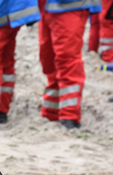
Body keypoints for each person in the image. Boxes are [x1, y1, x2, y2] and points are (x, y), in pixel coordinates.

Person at [37, 0, 102, 129]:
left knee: (67, 60)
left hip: (71, 6)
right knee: (48, 61)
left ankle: (69, 116)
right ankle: (52, 112)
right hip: (46, 7)